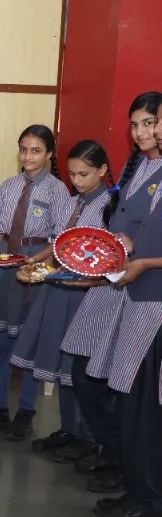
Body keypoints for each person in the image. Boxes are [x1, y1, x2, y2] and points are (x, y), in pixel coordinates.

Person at [61, 92, 162, 494]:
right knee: (90, 374)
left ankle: (136, 475)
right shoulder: (136, 169)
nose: (142, 132)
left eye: (149, 123)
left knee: (130, 390)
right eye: (135, 124)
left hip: (144, 290)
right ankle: (120, 457)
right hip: (119, 283)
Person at [13, 141, 112, 462]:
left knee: (81, 367)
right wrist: (36, 263)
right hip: (61, 287)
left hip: (87, 293)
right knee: (62, 362)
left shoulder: (109, 206)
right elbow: (59, 245)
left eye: (84, 174)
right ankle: (69, 428)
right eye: (72, 175)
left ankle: (87, 436)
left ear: (102, 171)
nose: (78, 180)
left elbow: (109, 255)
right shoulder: (72, 203)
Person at [0, 125, 69, 440]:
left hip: (34, 264)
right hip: (5, 261)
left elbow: (58, 242)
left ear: (49, 154)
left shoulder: (58, 191)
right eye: (24, 149)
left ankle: (26, 411)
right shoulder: (9, 185)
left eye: (36, 150)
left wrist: (34, 260)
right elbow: (0, 230)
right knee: (1, 341)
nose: (28, 156)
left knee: (28, 343)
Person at [95, 109, 162, 517]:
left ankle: (149, 499)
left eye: (155, 123)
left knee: (143, 404)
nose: (152, 131)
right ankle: (138, 488)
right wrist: (132, 243)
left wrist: (145, 262)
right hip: (142, 292)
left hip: (154, 297)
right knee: (134, 400)